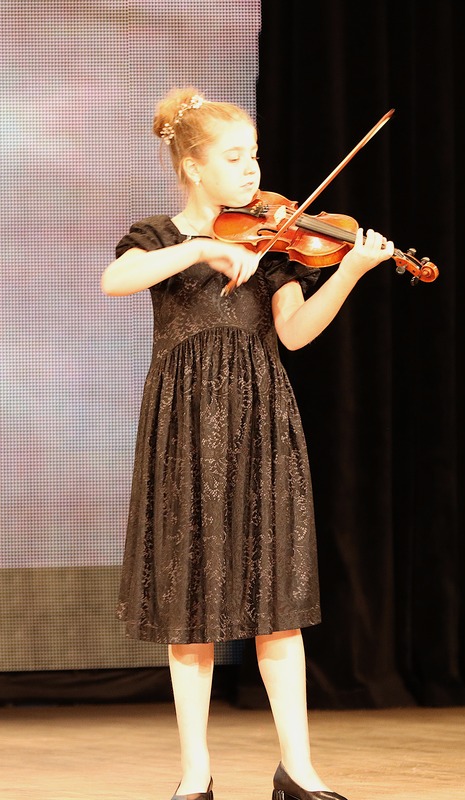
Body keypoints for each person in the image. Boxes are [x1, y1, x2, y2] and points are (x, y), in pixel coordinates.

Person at [101, 86, 394, 800]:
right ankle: (195, 775)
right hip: (184, 428)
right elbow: (115, 280)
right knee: (189, 605)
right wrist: (203, 247)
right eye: (234, 158)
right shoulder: (158, 238)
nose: (252, 170)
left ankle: (298, 770)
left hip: (262, 419)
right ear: (193, 167)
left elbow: (294, 334)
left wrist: (349, 272)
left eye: (254, 155)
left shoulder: (274, 242)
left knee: (279, 601)